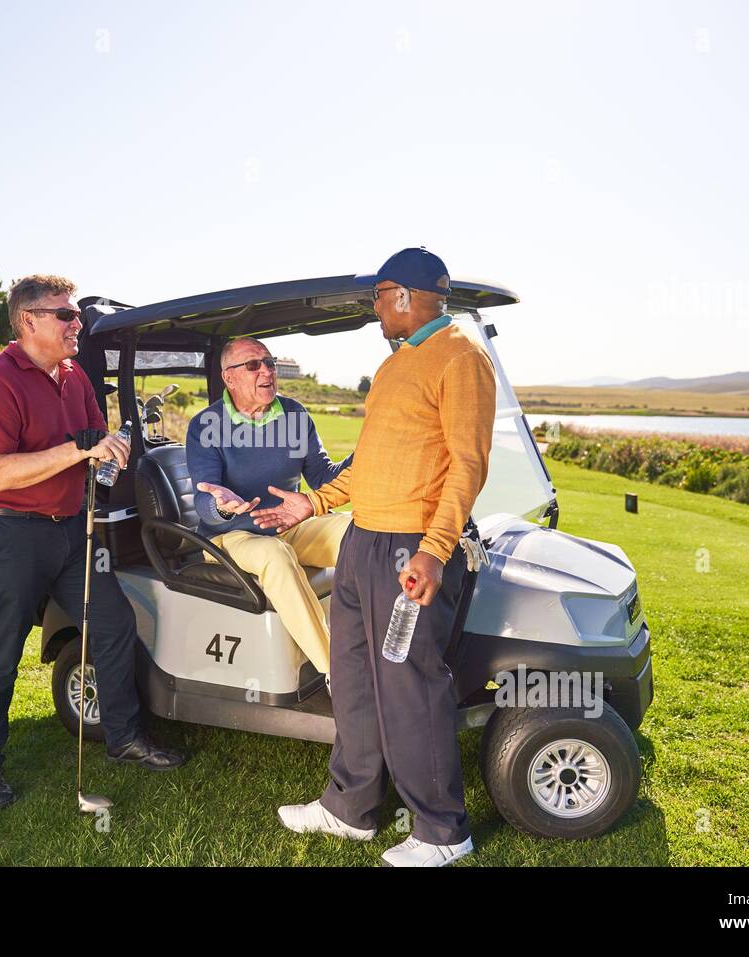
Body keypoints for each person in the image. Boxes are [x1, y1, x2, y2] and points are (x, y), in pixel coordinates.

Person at [253, 248, 496, 867]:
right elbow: (369, 465)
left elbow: (467, 466)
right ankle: (351, 808)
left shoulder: (462, 358)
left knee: (409, 686)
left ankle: (443, 832)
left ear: (407, 295)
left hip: (409, 551)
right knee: (355, 679)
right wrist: (311, 505)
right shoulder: (395, 366)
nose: (374, 309)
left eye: (379, 296)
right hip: (363, 540)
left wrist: (436, 550)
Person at [0, 274, 186, 809]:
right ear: (29, 321)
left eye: (75, 315)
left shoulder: (75, 378)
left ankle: (124, 738)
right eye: (65, 315)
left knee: (112, 623)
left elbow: (93, 444)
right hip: (7, 532)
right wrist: (79, 451)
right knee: (3, 646)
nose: (76, 322)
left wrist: (112, 453)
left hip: (70, 528)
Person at [185, 336, 352, 681]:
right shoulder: (205, 426)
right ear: (229, 378)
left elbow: (322, 477)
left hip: (289, 525)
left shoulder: (294, 414)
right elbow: (205, 502)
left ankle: (382, 643)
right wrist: (223, 506)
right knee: (275, 555)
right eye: (253, 365)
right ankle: (337, 673)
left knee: (360, 531)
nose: (267, 371)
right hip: (229, 536)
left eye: (270, 362)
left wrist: (363, 454)